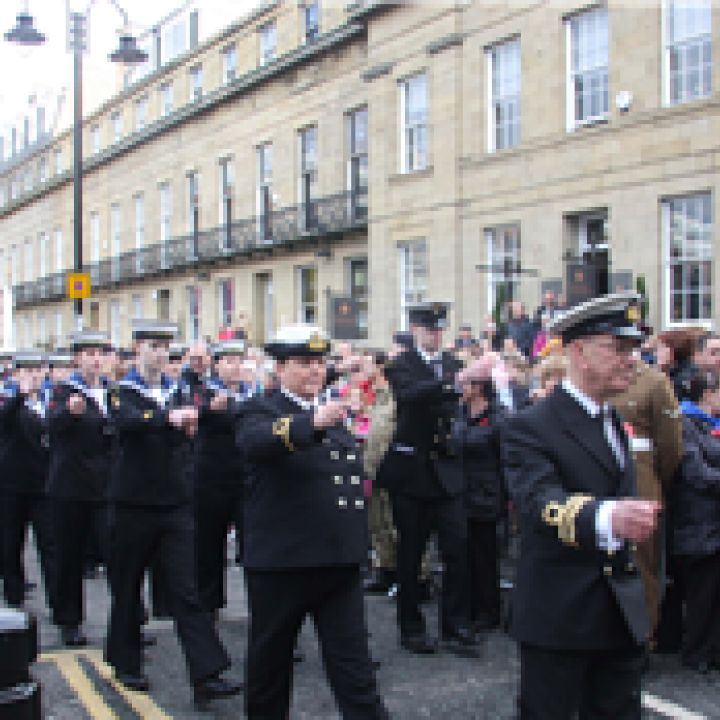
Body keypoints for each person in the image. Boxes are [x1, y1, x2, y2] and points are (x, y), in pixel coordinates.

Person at [503, 292, 661, 719]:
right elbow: (538, 503)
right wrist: (610, 516)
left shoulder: (611, 417)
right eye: (618, 348)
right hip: (560, 615)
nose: (632, 359)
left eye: (635, 348)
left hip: (618, 610)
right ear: (578, 352)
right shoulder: (531, 426)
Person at [237, 324, 389, 720]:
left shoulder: (330, 411)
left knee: (354, 669)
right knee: (270, 666)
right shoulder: (261, 408)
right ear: (281, 368)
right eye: (304, 363)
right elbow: (257, 442)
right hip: (283, 563)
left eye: (319, 363)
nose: (314, 371)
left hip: (336, 561)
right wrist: (312, 424)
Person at [105, 319, 240, 706]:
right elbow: (125, 424)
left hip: (175, 502)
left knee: (186, 590)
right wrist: (167, 419)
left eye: (165, 346)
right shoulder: (122, 391)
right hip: (133, 504)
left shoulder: (178, 390)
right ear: (137, 350)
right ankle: (126, 662)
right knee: (127, 587)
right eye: (152, 345)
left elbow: (201, 421)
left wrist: (191, 420)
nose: (160, 353)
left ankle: (206, 675)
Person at [382, 302, 478, 656]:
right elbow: (410, 396)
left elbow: (454, 407)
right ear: (414, 329)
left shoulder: (453, 364)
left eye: (438, 329)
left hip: (447, 469)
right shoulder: (401, 364)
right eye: (428, 328)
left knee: (457, 549)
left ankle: (455, 625)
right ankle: (411, 627)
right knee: (411, 553)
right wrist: (452, 384)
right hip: (414, 472)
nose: (434, 334)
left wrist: (455, 384)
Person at [46, 331, 113, 647]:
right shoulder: (64, 391)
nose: (95, 359)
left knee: (118, 556)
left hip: (105, 488)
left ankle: (129, 622)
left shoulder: (110, 391)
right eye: (88, 353)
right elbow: (53, 423)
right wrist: (68, 414)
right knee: (69, 558)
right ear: (77, 358)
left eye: (99, 352)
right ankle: (69, 621)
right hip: (70, 488)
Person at [612, 355, 683, 639]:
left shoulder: (653, 382)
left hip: (640, 484)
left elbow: (671, 448)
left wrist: (652, 482)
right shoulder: (599, 380)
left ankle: (643, 637)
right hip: (602, 485)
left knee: (641, 566)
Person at [193, 339, 250, 612]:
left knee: (252, 545)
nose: (235, 366)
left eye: (239, 360)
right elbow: (192, 417)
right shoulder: (204, 392)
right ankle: (209, 604)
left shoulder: (252, 393)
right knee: (208, 545)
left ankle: (262, 607)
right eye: (228, 361)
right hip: (211, 479)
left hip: (244, 479)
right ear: (216, 365)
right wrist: (208, 410)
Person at [0, 350, 57, 611]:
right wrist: (20, 394)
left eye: (37, 371)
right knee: (11, 543)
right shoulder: (9, 401)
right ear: (17, 374)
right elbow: (5, 420)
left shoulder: (50, 400)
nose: (34, 377)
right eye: (28, 372)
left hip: (43, 485)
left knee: (51, 546)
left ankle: (59, 605)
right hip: (12, 485)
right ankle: (13, 596)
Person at [672, 367, 720, 673]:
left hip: (712, 520)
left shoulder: (711, 425)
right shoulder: (685, 424)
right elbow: (694, 474)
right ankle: (697, 652)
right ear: (708, 394)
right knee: (702, 594)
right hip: (698, 522)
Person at [456, 355, 505, 632]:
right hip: (461, 492)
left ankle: (489, 609)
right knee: (464, 554)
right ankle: (470, 605)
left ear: (478, 387)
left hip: (486, 494)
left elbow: (506, 458)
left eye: (465, 383)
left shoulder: (498, 418)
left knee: (485, 555)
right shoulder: (460, 413)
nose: (460, 387)